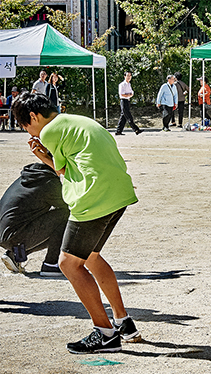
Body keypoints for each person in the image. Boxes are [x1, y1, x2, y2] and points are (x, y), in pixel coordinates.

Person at [12, 92, 141, 353]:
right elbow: (69, 167)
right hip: (119, 194)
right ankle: (123, 321)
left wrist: (42, 153)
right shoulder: (76, 121)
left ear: (34, 117)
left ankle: (105, 333)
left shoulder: (49, 132)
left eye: (26, 125)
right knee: (91, 257)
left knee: (68, 264)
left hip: (93, 198)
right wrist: (45, 157)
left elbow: (60, 173)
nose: (29, 131)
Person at [0, 163, 69, 276]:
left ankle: (15, 255)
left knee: (54, 222)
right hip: (14, 236)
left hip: (7, 234)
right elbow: (68, 206)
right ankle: (51, 265)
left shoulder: (33, 175)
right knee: (65, 216)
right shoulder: (49, 182)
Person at [116, 72, 143, 136]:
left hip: (128, 101)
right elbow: (122, 94)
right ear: (124, 76)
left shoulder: (129, 84)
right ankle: (136, 129)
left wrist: (129, 95)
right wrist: (128, 95)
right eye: (128, 76)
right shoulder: (122, 84)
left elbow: (132, 92)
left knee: (123, 117)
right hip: (123, 101)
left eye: (130, 76)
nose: (129, 77)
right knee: (129, 116)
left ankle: (118, 131)